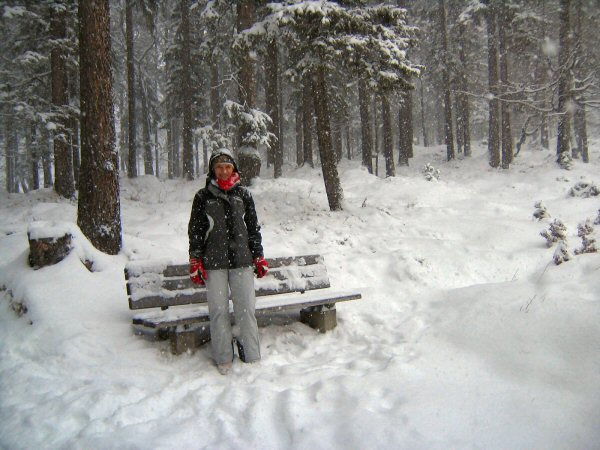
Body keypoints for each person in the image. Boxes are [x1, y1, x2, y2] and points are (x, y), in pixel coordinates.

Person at [188, 148, 269, 375]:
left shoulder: (244, 195)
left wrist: (258, 255)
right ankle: (223, 356)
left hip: (242, 261)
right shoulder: (202, 197)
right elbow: (195, 231)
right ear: (213, 170)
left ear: (234, 169)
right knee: (218, 311)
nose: (224, 171)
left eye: (228, 167)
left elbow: (253, 229)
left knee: (246, 310)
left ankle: (251, 354)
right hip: (214, 264)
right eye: (219, 167)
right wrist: (195, 259)